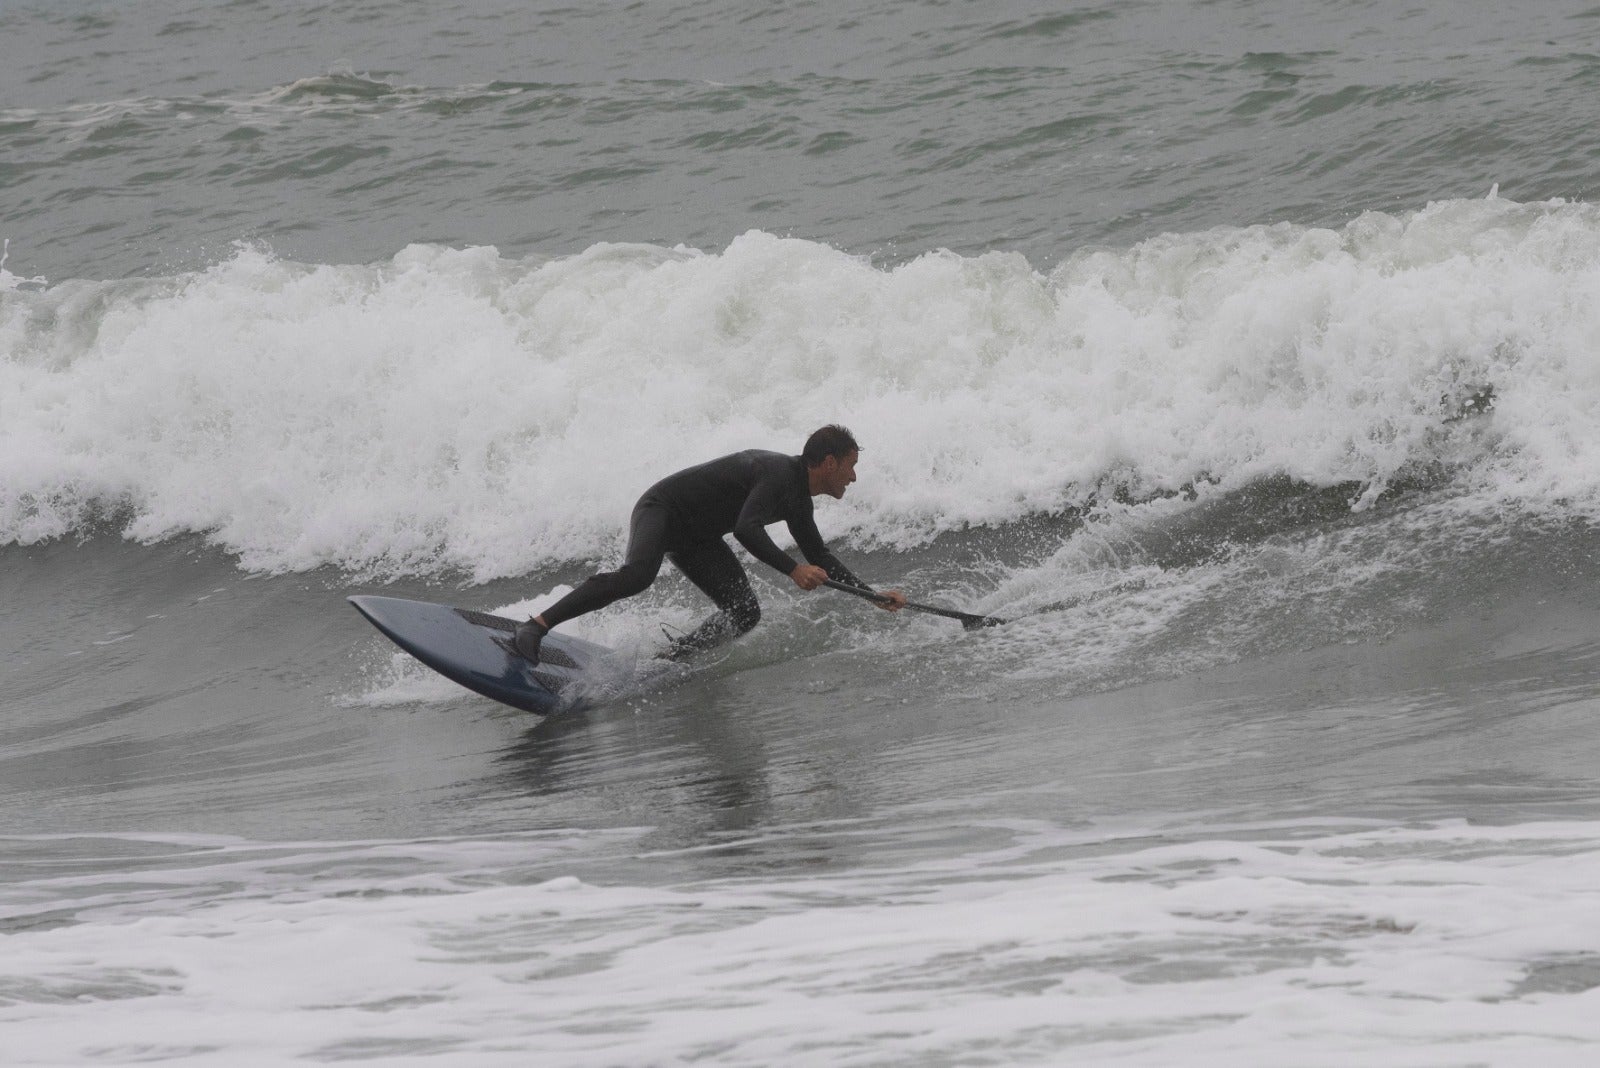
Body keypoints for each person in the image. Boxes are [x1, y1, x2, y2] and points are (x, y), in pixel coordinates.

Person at [515, 424, 907, 664]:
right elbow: (746, 530)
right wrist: (793, 570)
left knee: (744, 612)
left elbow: (818, 554)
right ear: (828, 463)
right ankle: (536, 626)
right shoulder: (776, 473)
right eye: (852, 466)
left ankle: (670, 661)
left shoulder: (799, 500)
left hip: (696, 538)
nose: (853, 478)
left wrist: (871, 595)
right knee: (637, 576)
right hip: (663, 509)